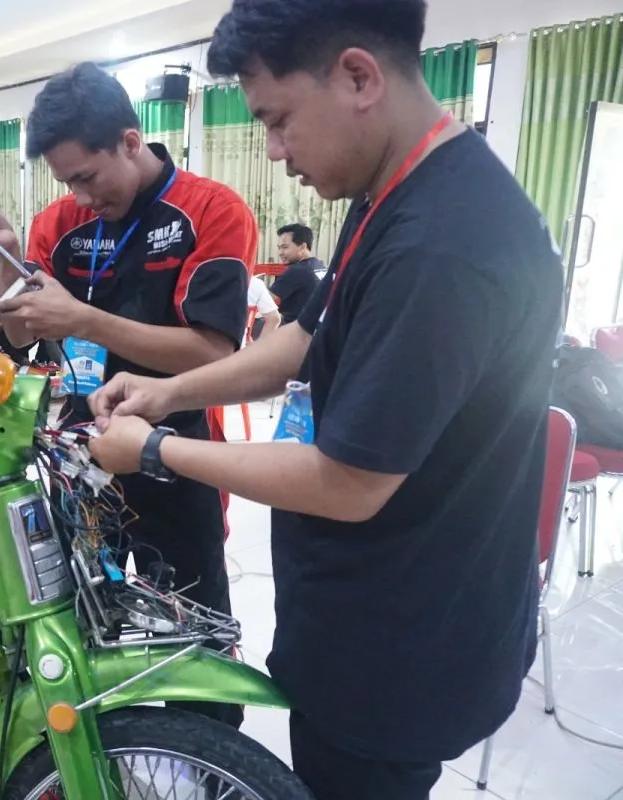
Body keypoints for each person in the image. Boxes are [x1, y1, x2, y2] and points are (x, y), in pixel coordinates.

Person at [86, 2, 563, 798]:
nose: (276, 153)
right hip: (367, 614)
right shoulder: (396, 188)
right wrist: (168, 392)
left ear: (358, 77)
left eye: (279, 121)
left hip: (400, 650)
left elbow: (348, 481)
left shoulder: (441, 245)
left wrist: (156, 450)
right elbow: (307, 338)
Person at [0, 62, 256, 729]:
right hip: (79, 463)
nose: (81, 197)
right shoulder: (59, 222)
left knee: (194, 633)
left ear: (129, 140)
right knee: (77, 631)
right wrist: (8, 257)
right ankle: (94, 756)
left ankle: (212, 761)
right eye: (67, 182)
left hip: (175, 458)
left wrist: (85, 321)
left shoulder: (211, 210)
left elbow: (214, 352)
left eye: (88, 177)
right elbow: (21, 338)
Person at [272, 222, 323, 324]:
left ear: (303, 247)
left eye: (285, 247)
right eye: (279, 248)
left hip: (295, 327)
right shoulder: (320, 265)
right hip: (315, 326)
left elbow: (265, 299)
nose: (280, 253)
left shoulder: (297, 270)